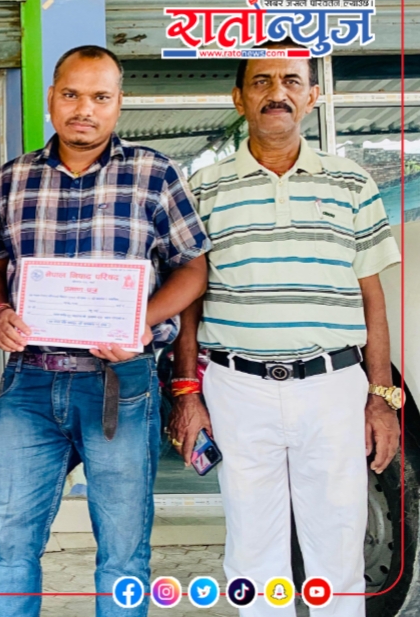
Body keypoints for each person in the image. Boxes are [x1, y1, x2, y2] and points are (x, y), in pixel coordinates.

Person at [169, 42, 402, 617]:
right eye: (262, 81)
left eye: (292, 81)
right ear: (239, 98)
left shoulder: (352, 183)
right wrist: (187, 393)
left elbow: (373, 299)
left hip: (333, 386)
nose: (277, 93)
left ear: (312, 96)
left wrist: (381, 398)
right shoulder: (204, 188)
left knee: (338, 546)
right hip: (237, 387)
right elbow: (188, 303)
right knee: (252, 551)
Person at [0, 45, 209, 617]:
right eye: (72, 94)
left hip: (120, 383)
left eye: (100, 97)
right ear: (51, 98)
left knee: (123, 551)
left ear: (118, 103)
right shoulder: (15, 177)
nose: (85, 109)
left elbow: (193, 268)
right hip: (29, 383)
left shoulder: (155, 173)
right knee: (8, 541)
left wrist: (139, 321)